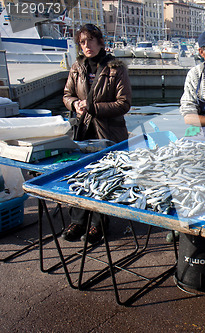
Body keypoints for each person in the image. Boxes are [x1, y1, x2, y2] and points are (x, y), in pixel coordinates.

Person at [62, 24, 132, 244]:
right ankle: (78, 220)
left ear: (100, 41)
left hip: (109, 133)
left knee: (104, 177)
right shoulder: (77, 67)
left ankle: (98, 224)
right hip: (83, 130)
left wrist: (93, 107)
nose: (86, 46)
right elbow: (67, 94)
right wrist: (75, 105)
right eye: (82, 42)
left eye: (90, 40)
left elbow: (124, 103)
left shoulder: (116, 67)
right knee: (80, 175)